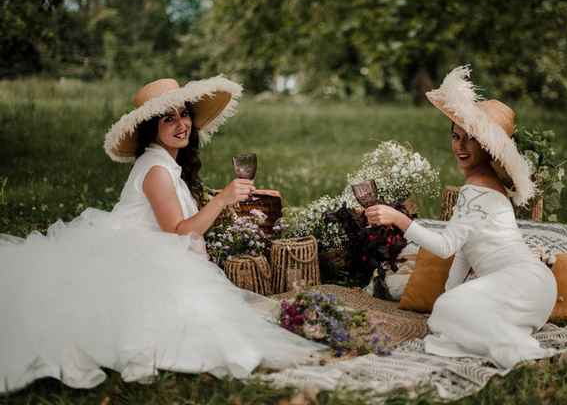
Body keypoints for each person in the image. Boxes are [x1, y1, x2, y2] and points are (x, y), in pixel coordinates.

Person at [0, 76, 324, 394]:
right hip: (137, 255)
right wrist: (223, 199)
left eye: (184, 114)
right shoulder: (156, 169)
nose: (181, 124)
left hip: (154, 250)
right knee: (195, 319)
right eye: (168, 119)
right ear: (150, 128)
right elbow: (177, 231)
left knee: (215, 316)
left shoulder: (166, 163)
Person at [365, 66, 557, 370]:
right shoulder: (486, 187)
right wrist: (448, 296)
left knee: (445, 314)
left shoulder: (476, 189)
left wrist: (398, 219)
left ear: (488, 148)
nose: (460, 146)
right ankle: (506, 336)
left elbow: (446, 247)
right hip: (536, 291)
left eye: (471, 139)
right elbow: (465, 255)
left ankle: (520, 351)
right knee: (445, 312)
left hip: (522, 284)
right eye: (455, 136)